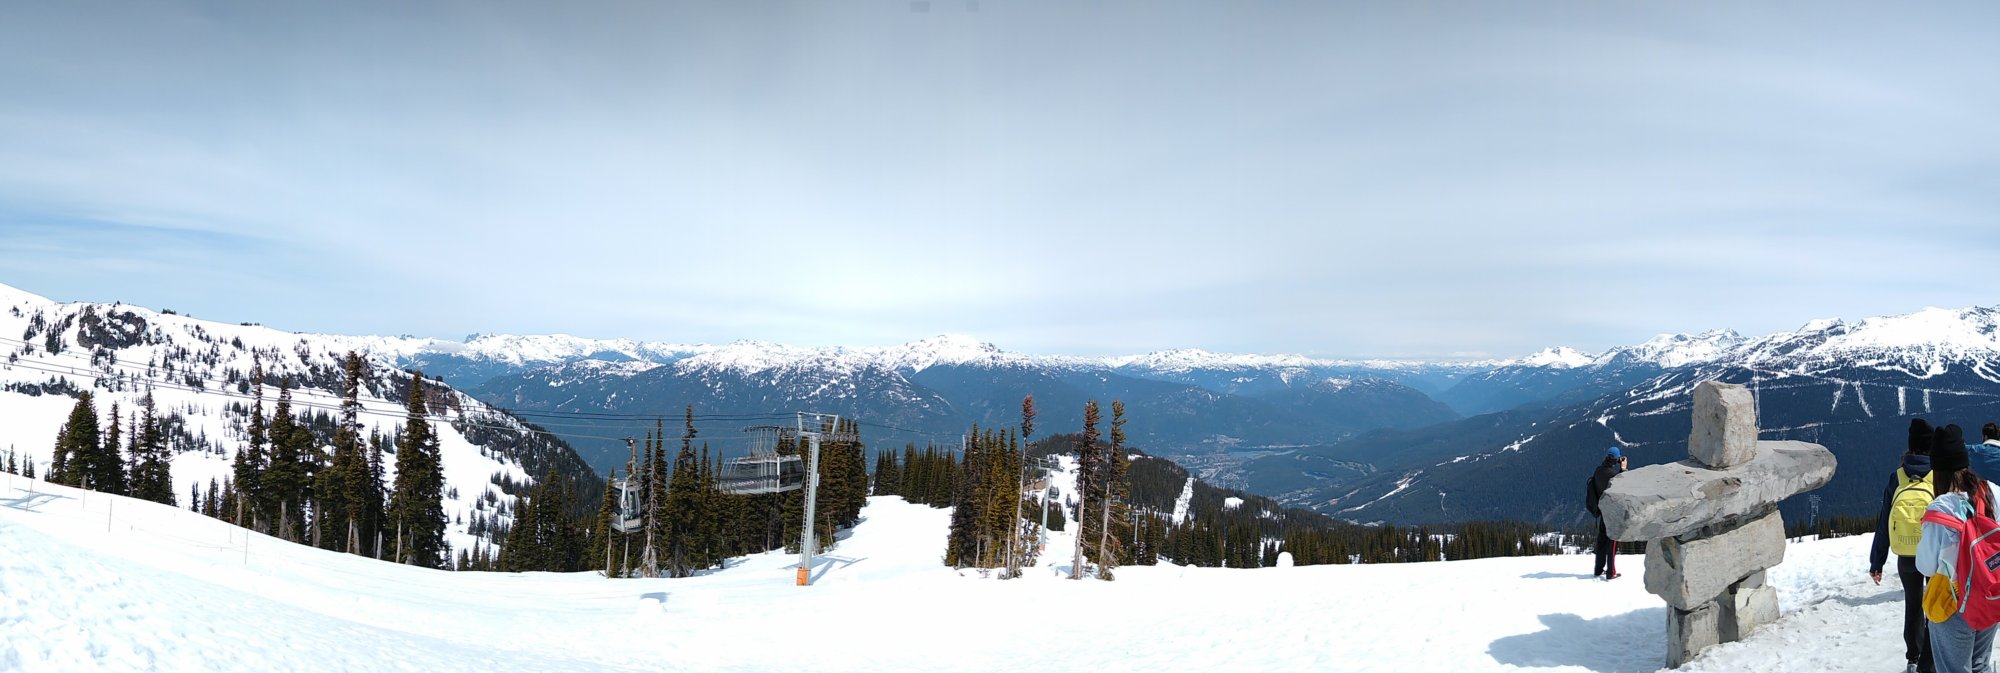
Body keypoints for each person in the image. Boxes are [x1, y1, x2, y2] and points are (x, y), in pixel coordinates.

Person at [1917, 424, 1999, 673]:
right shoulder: (1990, 491)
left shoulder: (1941, 507)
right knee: (1980, 665)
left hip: (1954, 605)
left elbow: (1925, 564)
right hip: (1990, 592)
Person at [1873, 418, 1936, 673]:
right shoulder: (1937, 475)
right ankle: (1930, 663)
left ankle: (1913, 658)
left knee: (1913, 604)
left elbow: (1884, 521)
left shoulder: (1896, 476)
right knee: (1935, 606)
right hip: (1933, 552)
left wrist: (1877, 562)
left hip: (1906, 553)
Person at [1585, 446, 1627, 580]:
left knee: (1602, 540)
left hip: (1602, 511)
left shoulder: (1598, 471)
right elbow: (1624, 486)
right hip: (1612, 513)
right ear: (1615, 459)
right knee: (1612, 541)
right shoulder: (1613, 476)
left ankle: (1598, 570)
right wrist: (1624, 469)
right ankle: (1611, 572)